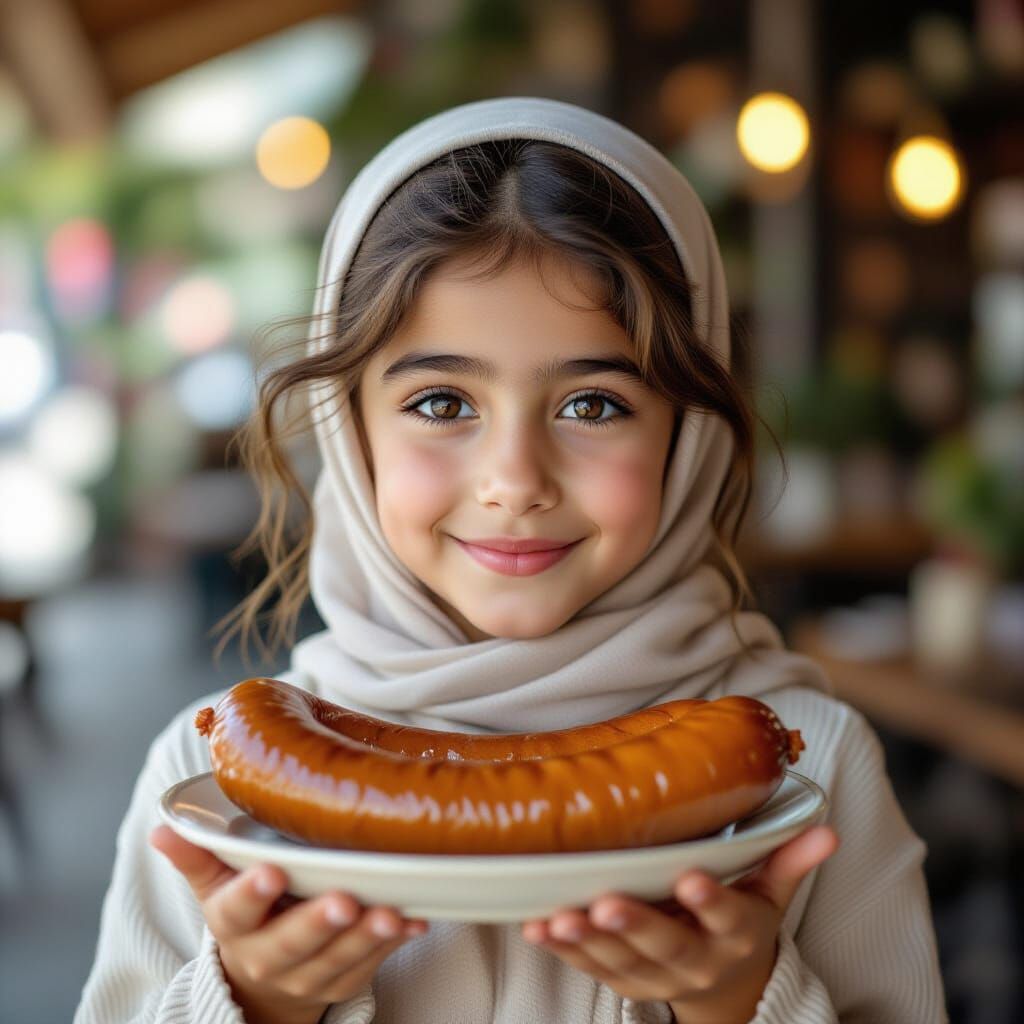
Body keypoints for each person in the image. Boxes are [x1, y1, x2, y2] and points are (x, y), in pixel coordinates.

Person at [74, 97, 948, 1024]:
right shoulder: (213, 782)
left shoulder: (813, 768)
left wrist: (744, 1002)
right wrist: (252, 999)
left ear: (684, 438)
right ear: (351, 429)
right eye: (444, 403)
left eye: (594, 405)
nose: (515, 481)